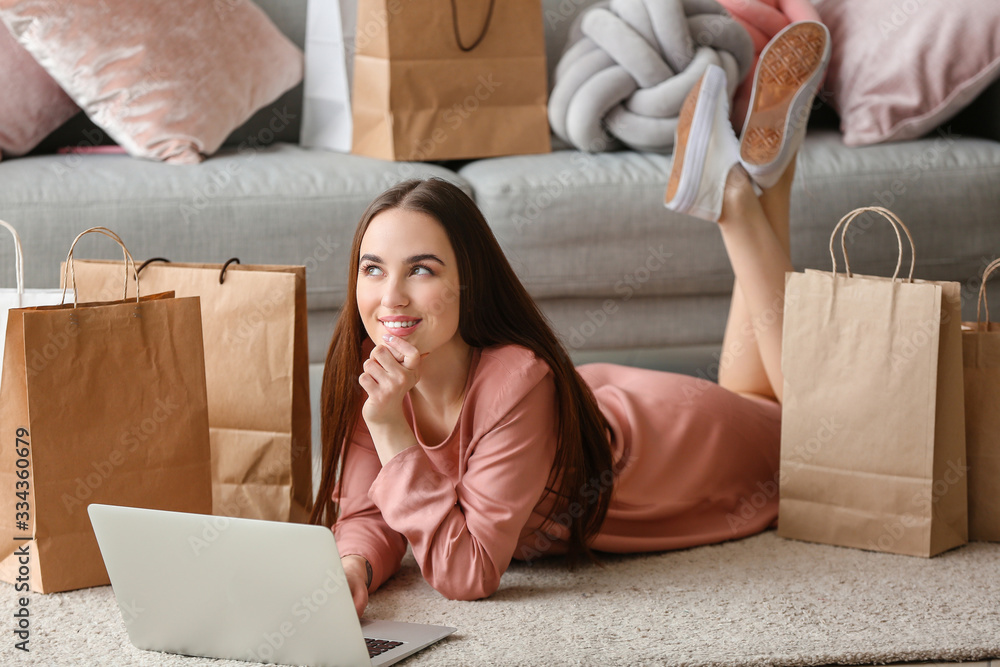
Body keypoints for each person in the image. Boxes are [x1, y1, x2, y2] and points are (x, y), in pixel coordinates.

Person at [309, 21, 832, 618]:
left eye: (421, 270)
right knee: (761, 397)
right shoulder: (374, 377)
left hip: (673, 449)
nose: (391, 297)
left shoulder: (516, 382)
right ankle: (768, 180)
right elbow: (369, 515)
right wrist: (354, 567)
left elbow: (468, 573)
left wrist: (393, 434)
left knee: (821, 446)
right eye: (372, 269)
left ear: (467, 282)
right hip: (609, 402)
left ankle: (736, 205)